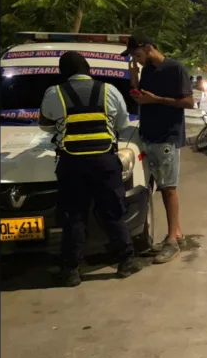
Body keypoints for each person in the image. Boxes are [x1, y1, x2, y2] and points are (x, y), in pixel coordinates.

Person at [39, 51, 143, 286]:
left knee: (73, 215)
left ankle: (71, 271)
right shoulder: (109, 90)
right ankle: (126, 261)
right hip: (104, 161)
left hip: (72, 162)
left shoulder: (54, 92)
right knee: (113, 212)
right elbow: (122, 123)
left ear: (63, 71)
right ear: (88, 69)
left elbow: (46, 126)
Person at [124, 34, 195, 264]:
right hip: (149, 136)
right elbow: (142, 99)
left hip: (167, 137)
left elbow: (189, 102)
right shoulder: (147, 71)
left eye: (137, 55)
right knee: (161, 188)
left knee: (169, 189)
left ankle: (172, 242)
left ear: (148, 48)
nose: (136, 59)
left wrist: (157, 99)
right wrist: (134, 80)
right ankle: (177, 234)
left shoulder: (175, 69)